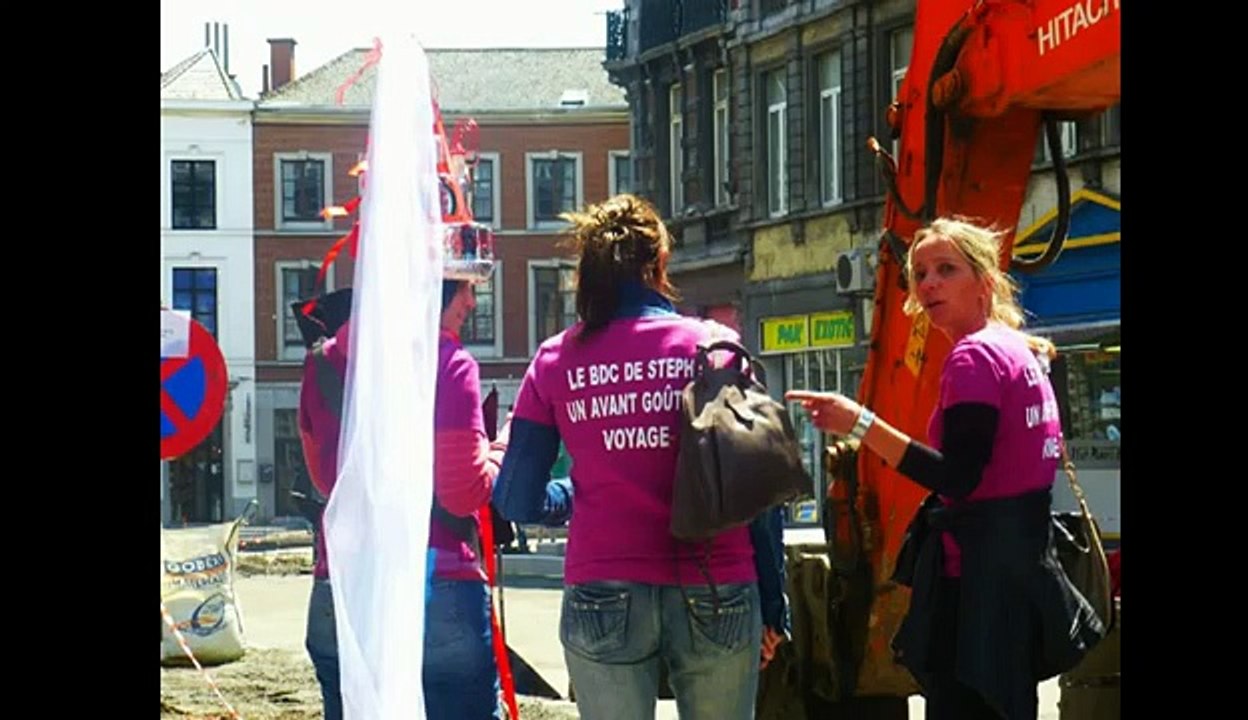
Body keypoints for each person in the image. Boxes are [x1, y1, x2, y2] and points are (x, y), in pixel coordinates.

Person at [787, 217, 1100, 720]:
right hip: (1018, 575)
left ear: (985, 280)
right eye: (920, 272)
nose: (929, 283)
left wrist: (860, 422)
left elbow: (958, 477)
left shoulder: (974, 360)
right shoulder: (1021, 352)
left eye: (946, 269)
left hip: (974, 588)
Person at [493, 194, 788, 720]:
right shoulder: (718, 349)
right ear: (658, 266)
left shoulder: (556, 359)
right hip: (717, 584)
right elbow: (759, 494)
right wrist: (773, 605)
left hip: (601, 589)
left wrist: (575, 494)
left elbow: (515, 499)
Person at [298, 278, 509, 719]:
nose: (472, 300)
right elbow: (460, 492)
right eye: (464, 287)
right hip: (438, 588)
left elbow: (325, 482)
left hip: (341, 589)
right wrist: (502, 448)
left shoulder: (321, 364)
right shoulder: (448, 362)